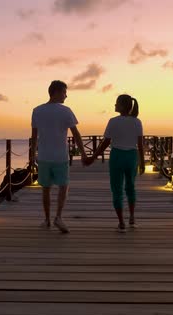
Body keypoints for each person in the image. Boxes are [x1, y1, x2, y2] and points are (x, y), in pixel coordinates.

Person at [31, 80, 87, 233]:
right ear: (55, 92)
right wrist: (83, 153)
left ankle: (47, 220)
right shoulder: (66, 111)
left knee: (46, 189)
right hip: (60, 157)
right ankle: (58, 217)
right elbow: (76, 134)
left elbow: (34, 137)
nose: (66, 96)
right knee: (63, 186)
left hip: (43, 156)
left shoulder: (37, 110)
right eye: (64, 92)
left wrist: (32, 156)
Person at [84, 94, 144, 233]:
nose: (114, 105)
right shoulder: (137, 122)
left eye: (116, 103)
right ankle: (132, 218)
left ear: (122, 106)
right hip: (132, 157)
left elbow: (105, 143)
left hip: (117, 156)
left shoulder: (113, 121)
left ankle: (122, 222)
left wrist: (93, 157)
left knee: (117, 189)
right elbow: (140, 144)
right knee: (131, 187)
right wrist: (141, 162)